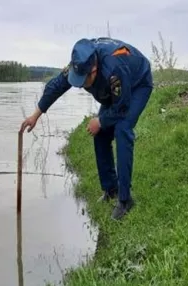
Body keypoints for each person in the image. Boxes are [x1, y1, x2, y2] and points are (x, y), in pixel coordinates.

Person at [20, 37, 153, 220]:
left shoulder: (114, 68)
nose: (80, 85)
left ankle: (125, 200)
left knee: (122, 129)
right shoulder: (80, 62)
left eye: (83, 81)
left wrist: (100, 121)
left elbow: (122, 106)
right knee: (100, 135)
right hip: (112, 89)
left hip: (137, 84)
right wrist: (36, 114)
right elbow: (57, 85)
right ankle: (110, 189)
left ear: (94, 70)